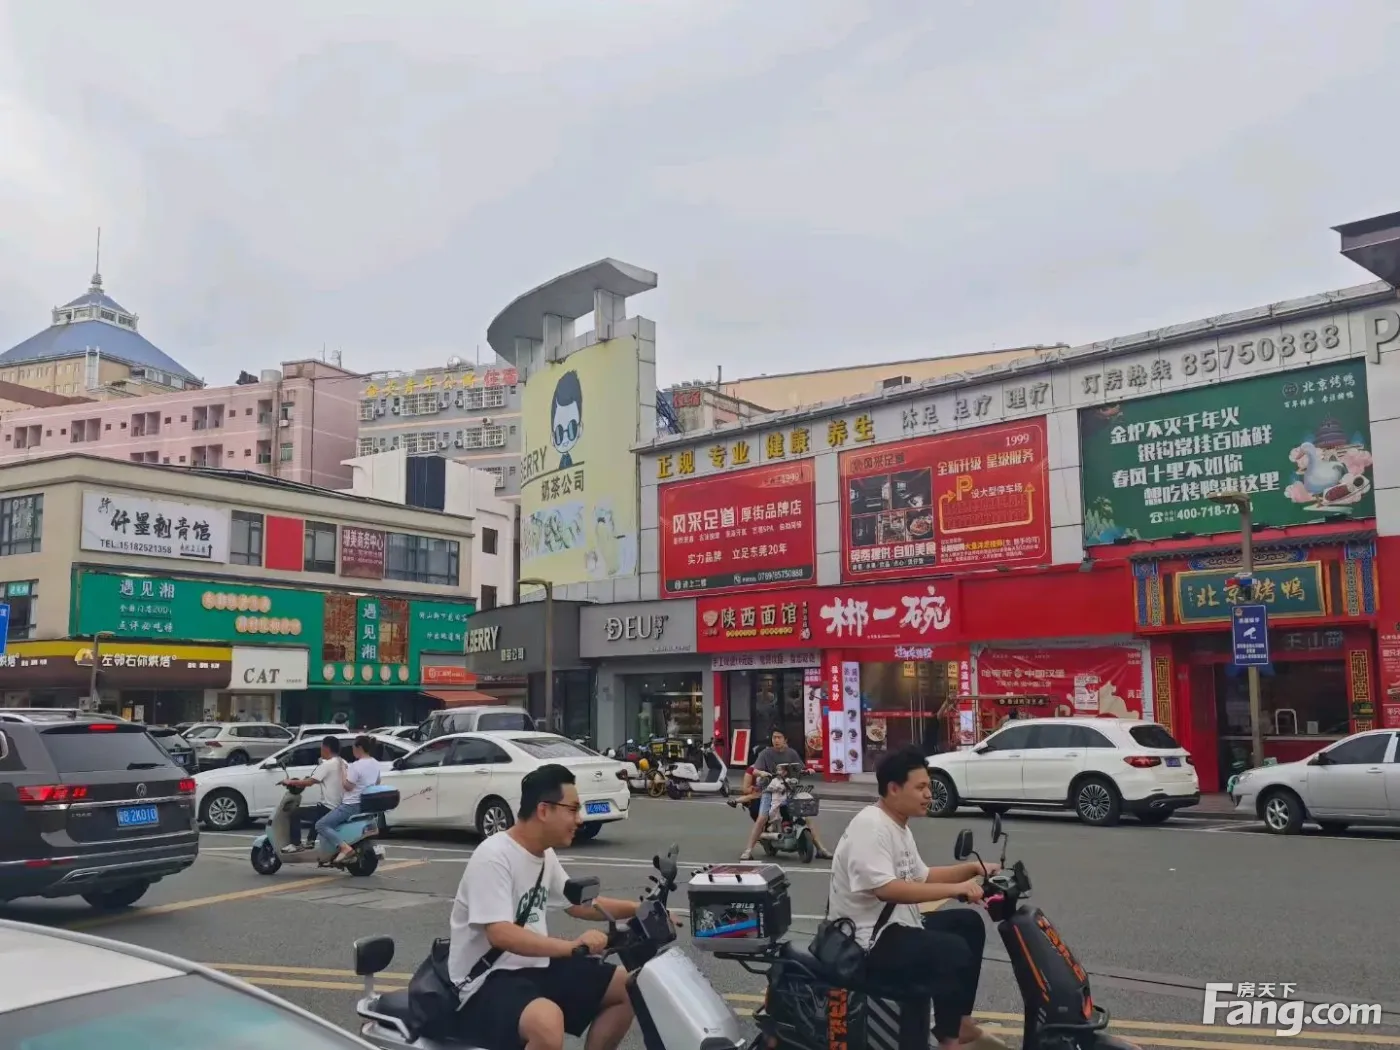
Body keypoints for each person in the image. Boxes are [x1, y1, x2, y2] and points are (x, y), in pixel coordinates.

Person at [828, 746, 1008, 1050]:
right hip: (864, 943)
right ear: (893, 789)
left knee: (968, 924)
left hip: (894, 927)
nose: (928, 794)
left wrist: (972, 870)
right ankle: (950, 1040)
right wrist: (956, 889)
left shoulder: (898, 825)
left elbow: (921, 877)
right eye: (920, 787)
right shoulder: (871, 826)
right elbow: (886, 889)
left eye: (929, 786)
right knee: (951, 951)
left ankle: (959, 1025)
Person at [448, 764, 638, 1050]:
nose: (579, 819)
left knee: (627, 986)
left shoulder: (544, 854)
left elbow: (579, 904)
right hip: (486, 979)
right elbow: (501, 934)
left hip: (534, 968)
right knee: (547, 1022)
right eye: (572, 809)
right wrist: (572, 947)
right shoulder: (493, 856)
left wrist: (640, 908)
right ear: (544, 810)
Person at [738, 729, 830, 860]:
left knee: (806, 817)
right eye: (774, 737)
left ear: (785, 739)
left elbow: (800, 768)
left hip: (789, 789)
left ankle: (821, 849)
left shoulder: (791, 753)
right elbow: (755, 770)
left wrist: (807, 770)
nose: (776, 740)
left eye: (779, 737)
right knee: (762, 818)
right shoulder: (765, 754)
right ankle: (748, 851)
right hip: (770, 791)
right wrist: (761, 773)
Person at [316, 734, 380, 865]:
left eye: (353, 748)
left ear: (359, 748)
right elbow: (377, 782)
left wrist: (344, 772)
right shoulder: (375, 763)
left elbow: (348, 786)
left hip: (350, 805)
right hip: (365, 804)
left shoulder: (356, 766)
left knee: (321, 825)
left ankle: (344, 847)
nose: (352, 751)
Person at [278, 735, 344, 853]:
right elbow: (320, 779)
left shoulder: (328, 764)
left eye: (321, 748)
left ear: (326, 748)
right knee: (318, 808)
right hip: (340, 806)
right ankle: (310, 840)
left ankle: (296, 844)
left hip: (329, 807)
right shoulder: (343, 762)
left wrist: (290, 782)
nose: (320, 751)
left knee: (295, 813)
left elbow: (310, 782)